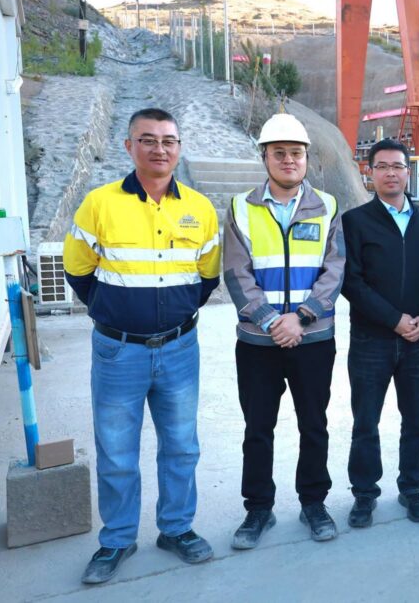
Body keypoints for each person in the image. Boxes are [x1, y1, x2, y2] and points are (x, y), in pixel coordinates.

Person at [64, 108, 220, 584]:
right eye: (147, 140)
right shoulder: (99, 203)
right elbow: (78, 271)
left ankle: (176, 529)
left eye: (169, 140)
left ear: (179, 147)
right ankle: (117, 539)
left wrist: (173, 316)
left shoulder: (200, 207)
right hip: (118, 352)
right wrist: (117, 315)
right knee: (115, 449)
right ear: (128, 146)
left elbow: (207, 278)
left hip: (179, 349)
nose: (159, 149)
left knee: (181, 446)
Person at [223, 113, 345, 548]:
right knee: (258, 427)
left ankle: (314, 502)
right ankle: (258, 509)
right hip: (259, 343)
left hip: (313, 340)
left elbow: (335, 270)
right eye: (280, 153)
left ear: (307, 158)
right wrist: (273, 321)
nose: (289, 160)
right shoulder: (241, 208)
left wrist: (303, 317)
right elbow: (236, 273)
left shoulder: (328, 206)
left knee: (314, 424)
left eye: (296, 153)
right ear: (265, 157)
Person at [341, 139, 419, 527]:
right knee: (366, 421)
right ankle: (364, 495)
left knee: (417, 420)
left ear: (407, 171)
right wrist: (394, 319)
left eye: (398, 166)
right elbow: (352, 282)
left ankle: (412, 489)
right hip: (371, 341)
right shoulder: (355, 221)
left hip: (418, 340)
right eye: (382, 166)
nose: (391, 173)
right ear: (370, 172)